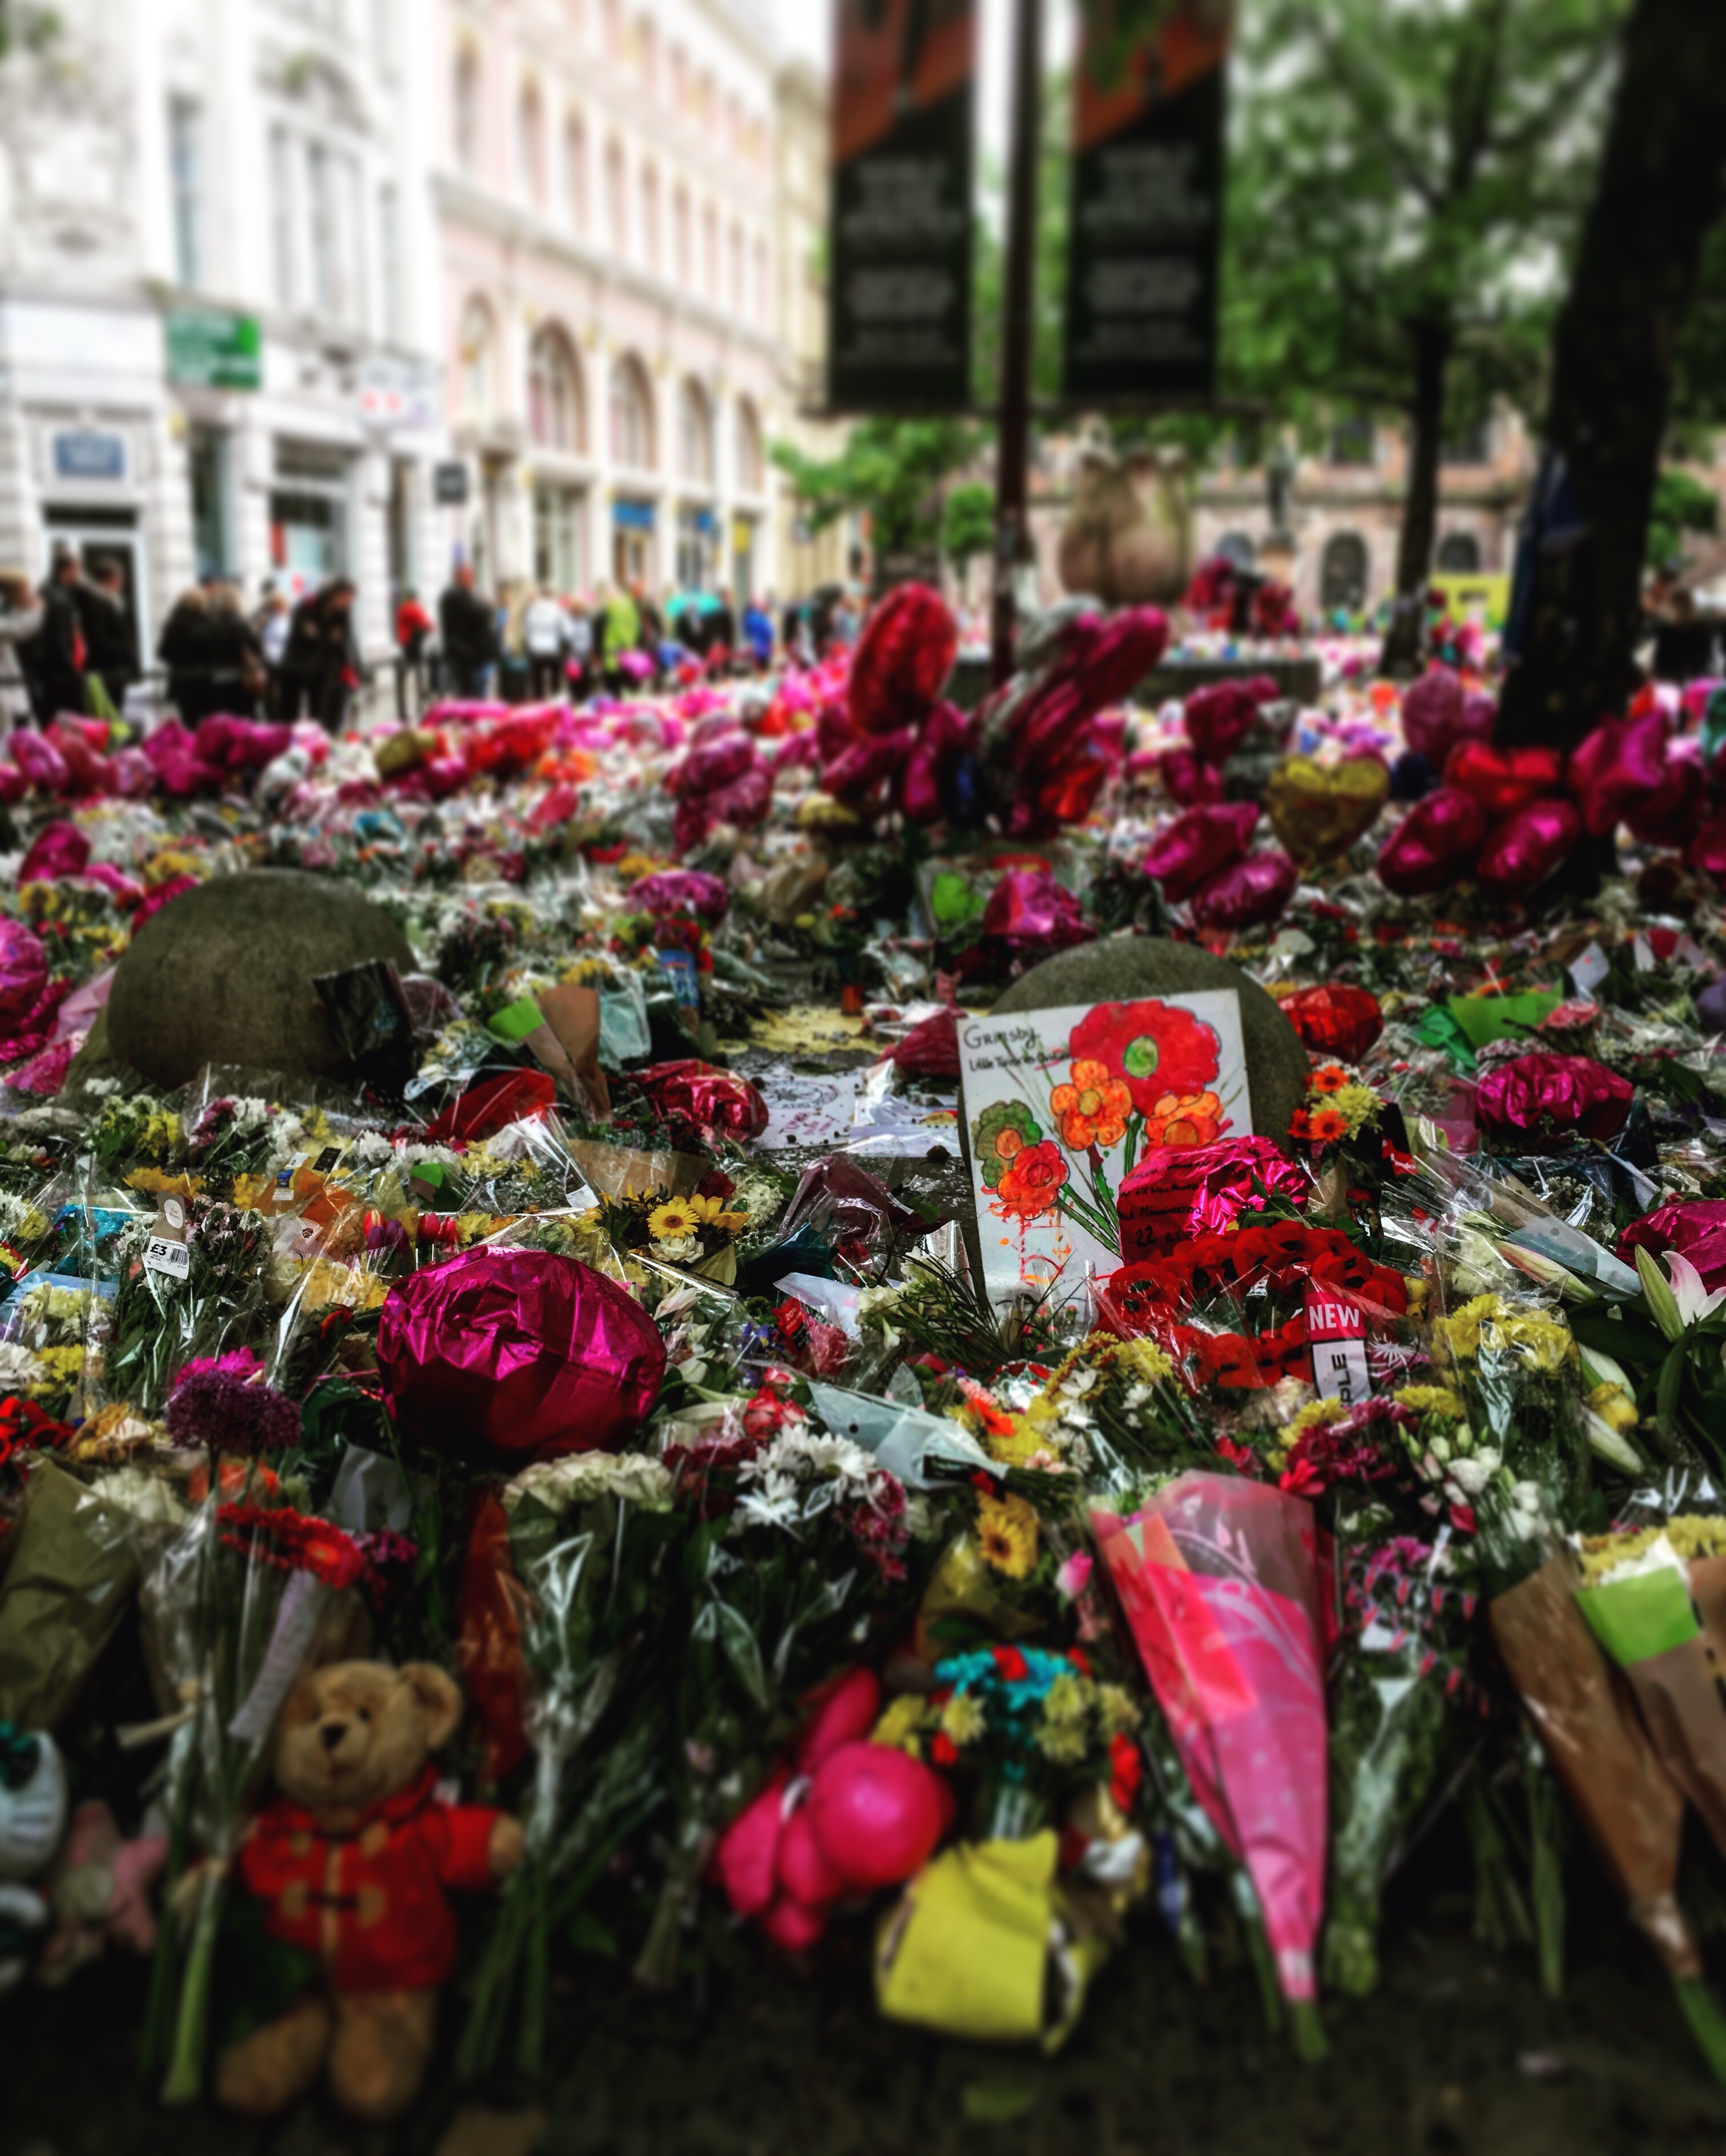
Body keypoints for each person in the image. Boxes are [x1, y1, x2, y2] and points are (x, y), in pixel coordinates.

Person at [281, 577, 360, 732]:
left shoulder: (343, 612)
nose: (348, 603)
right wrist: (324, 636)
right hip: (299, 665)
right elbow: (302, 629)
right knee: (293, 712)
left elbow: (343, 638)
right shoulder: (311, 604)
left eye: (351, 600)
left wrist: (351, 667)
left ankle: (323, 736)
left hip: (326, 668)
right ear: (336, 594)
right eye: (346, 598)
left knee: (325, 710)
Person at [75, 561, 135, 714]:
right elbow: (99, 640)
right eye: (120, 579)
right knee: (108, 714)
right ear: (109, 580)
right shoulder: (98, 604)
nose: (122, 583)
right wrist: (125, 650)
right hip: (108, 671)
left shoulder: (113, 602)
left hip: (115, 669)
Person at [35, 548, 87, 720]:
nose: (79, 575)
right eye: (77, 569)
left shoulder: (46, 591)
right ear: (67, 570)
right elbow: (60, 638)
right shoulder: (59, 598)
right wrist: (71, 669)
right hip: (60, 674)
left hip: (49, 670)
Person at [203, 583, 267, 719]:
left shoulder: (211, 624)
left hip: (218, 677)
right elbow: (256, 647)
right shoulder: (241, 623)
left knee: (225, 719)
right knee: (244, 718)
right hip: (241, 677)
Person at [439, 562, 495, 699]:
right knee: (470, 696)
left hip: (471, 657)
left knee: (474, 693)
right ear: (460, 576)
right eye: (469, 575)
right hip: (467, 658)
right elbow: (479, 615)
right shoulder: (456, 595)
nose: (473, 579)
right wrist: (487, 607)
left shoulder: (465, 595)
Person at [158, 586, 211, 722]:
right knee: (209, 722)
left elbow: (163, 653)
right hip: (206, 679)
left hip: (182, 680)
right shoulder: (208, 623)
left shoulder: (174, 625)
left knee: (189, 720)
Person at [0, 570, 43, 740]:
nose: (29, 594)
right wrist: (37, 610)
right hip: (5, 688)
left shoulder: (8, 611)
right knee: (9, 736)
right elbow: (16, 630)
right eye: (25, 590)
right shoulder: (35, 610)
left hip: (12, 685)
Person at [523, 585, 568, 702]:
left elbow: (527, 631)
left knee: (537, 683)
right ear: (552, 596)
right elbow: (566, 632)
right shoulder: (558, 609)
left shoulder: (532, 610)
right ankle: (555, 704)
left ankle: (539, 705)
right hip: (553, 649)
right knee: (555, 682)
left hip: (536, 649)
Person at [395, 587, 434, 718]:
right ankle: (421, 702)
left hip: (406, 643)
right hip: (415, 645)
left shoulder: (402, 608)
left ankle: (405, 710)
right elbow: (426, 624)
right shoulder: (414, 608)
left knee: (407, 674)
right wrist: (433, 627)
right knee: (419, 673)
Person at [258, 584, 292, 714]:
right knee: (271, 694)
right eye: (275, 605)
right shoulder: (265, 619)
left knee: (286, 693)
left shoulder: (291, 619)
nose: (278, 608)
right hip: (269, 661)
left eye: (280, 604)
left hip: (287, 661)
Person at [742, 592, 774, 671]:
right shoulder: (762, 618)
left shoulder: (748, 618)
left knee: (756, 668)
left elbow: (746, 633)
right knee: (764, 668)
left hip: (753, 647)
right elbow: (769, 633)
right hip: (764, 647)